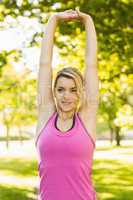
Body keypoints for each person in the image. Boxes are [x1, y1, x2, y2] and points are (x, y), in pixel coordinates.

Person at [35, 8, 99, 200]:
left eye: (73, 90)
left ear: (81, 93)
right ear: (53, 91)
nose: (66, 96)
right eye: (61, 89)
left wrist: (87, 20)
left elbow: (91, 64)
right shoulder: (46, 114)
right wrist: (53, 20)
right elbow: (44, 64)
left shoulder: (86, 118)